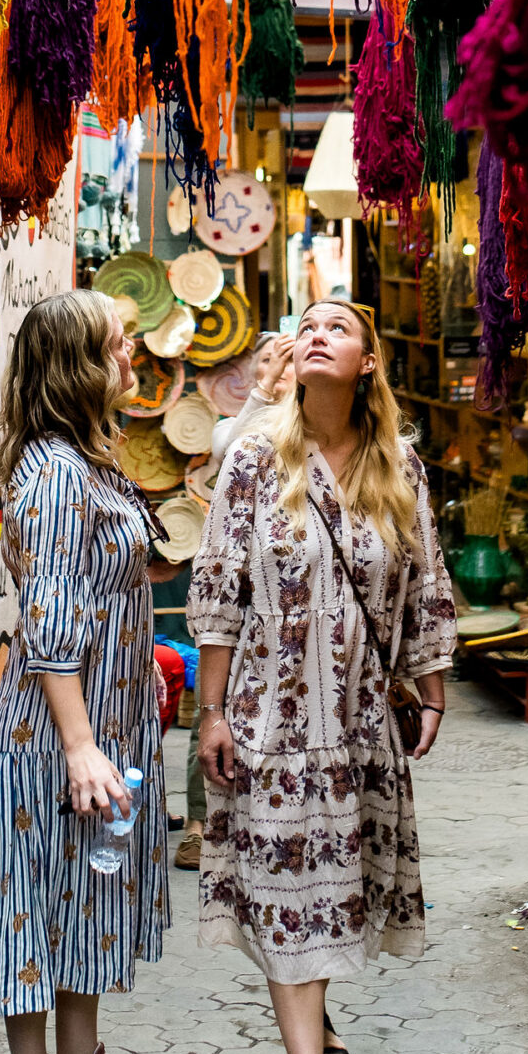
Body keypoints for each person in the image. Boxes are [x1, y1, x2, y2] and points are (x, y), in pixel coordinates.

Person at [186, 298, 457, 1054]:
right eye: (305, 326)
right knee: (286, 889)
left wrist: (433, 691)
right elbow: (221, 588)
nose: (314, 334)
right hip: (272, 720)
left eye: (336, 327)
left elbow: (425, 585)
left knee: (334, 889)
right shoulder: (255, 462)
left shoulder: (399, 466)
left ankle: (317, 1021)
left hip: (358, 722)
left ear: (368, 362)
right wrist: (211, 710)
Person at [0, 289, 178, 1054]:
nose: (132, 360)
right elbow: (52, 624)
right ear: (77, 369)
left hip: (104, 726)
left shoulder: (86, 460)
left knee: (87, 886)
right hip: (56, 733)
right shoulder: (58, 477)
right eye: (118, 346)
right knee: (35, 888)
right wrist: (79, 745)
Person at [172, 331, 297, 871]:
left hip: (293, 597)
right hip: (238, 593)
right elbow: (226, 453)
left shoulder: (320, 429)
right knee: (216, 702)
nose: (276, 368)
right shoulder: (238, 427)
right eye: (266, 361)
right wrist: (264, 395)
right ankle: (201, 823)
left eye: (285, 359)